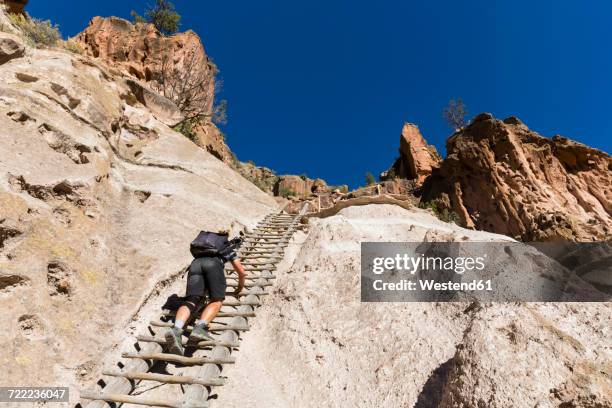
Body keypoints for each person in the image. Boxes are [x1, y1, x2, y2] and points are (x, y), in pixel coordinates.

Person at [165, 230, 246, 355]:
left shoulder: (203, 248)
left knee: (191, 300)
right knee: (217, 300)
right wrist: (240, 287)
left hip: (195, 265)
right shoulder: (226, 248)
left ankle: (176, 329)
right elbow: (241, 272)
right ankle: (200, 327)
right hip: (213, 264)